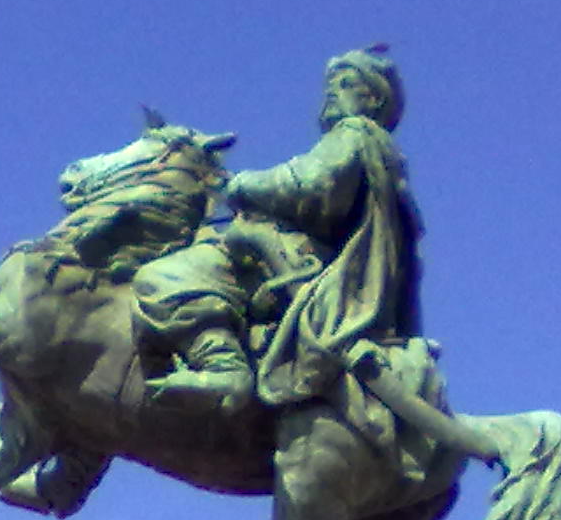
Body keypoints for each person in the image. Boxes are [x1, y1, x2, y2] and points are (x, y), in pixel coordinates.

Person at [132, 45, 426, 426]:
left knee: (164, 276)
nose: (331, 93)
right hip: (326, 270)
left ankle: (224, 367)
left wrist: (239, 185)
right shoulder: (384, 152)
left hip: (302, 264)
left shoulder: (354, 132)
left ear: (373, 100)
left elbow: (309, 183)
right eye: (329, 86)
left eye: (345, 84)